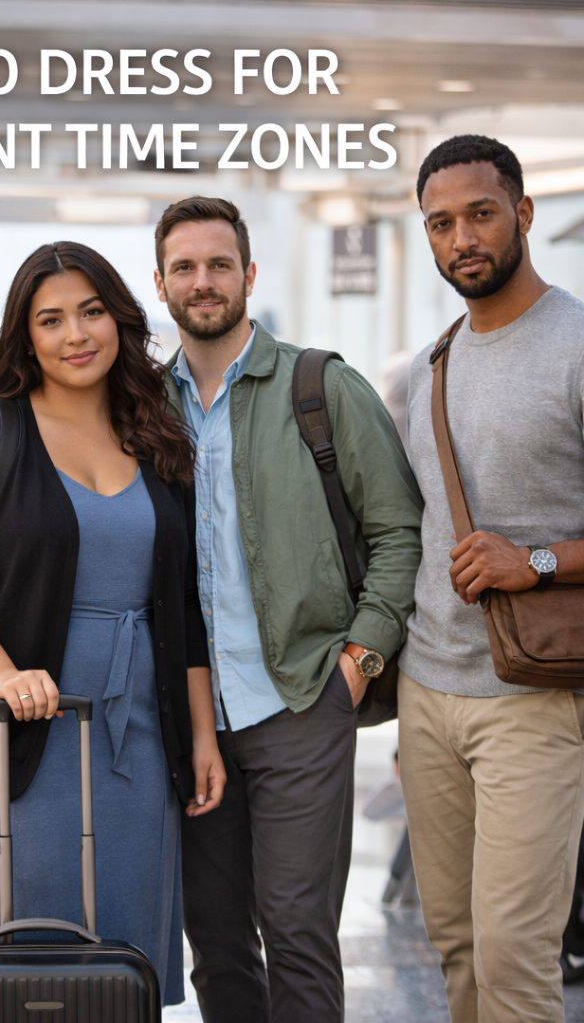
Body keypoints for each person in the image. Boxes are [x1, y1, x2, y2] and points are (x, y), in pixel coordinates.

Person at [0, 241, 225, 1004]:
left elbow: (181, 599)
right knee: (26, 962)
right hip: (12, 737)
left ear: (119, 318)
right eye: (50, 319)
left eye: (91, 312)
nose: (75, 334)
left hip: (138, 741)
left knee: (120, 960)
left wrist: (201, 736)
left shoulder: (156, 439)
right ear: (25, 335)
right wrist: (4, 676)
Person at [154, 196, 423, 1023]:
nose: (204, 283)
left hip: (302, 698)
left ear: (248, 275)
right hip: (190, 715)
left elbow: (398, 533)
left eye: (219, 265)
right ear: (160, 283)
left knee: (299, 931)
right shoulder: (140, 409)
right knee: (218, 941)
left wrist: (358, 663)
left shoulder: (320, 385)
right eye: (185, 268)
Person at [399, 134, 584, 1023]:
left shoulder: (577, 345)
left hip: (533, 696)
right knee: (459, 951)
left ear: (524, 212)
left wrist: (536, 560)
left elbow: (526, 555)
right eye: (442, 224)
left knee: (515, 959)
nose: (462, 237)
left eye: (480, 214)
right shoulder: (430, 366)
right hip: (427, 691)